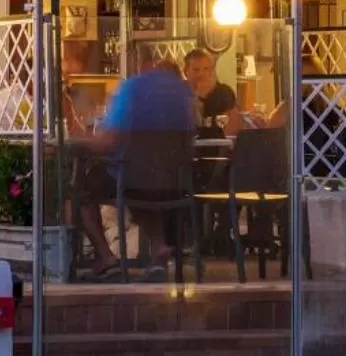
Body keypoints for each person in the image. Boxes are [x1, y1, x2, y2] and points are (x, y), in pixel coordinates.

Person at [68, 58, 197, 278]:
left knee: (82, 189)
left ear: (141, 66)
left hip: (134, 179)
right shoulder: (183, 93)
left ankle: (105, 256)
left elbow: (107, 141)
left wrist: (78, 142)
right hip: (175, 181)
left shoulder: (133, 88)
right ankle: (159, 248)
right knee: (141, 183)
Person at [184, 49, 241, 136]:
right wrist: (198, 98)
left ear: (212, 71)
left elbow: (232, 129)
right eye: (196, 70)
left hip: (218, 142)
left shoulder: (224, 93)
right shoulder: (180, 93)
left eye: (206, 69)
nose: (201, 74)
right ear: (186, 72)